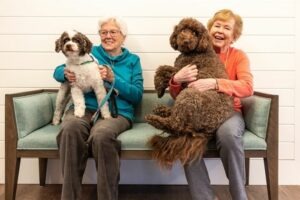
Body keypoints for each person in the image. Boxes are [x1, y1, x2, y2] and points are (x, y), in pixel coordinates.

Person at [53, 17, 144, 200]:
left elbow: (136, 95)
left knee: (102, 135)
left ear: (123, 36)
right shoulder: (89, 52)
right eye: (104, 32)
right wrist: (64, 73)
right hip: (84, 108)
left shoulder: (133, 60)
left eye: (113, 32)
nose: (108, 36)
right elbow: (58, 71)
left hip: (118, 113)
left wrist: (113, 79)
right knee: (70, 129)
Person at [168, 9, 253, 200]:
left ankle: (240, 196)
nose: (220, 30)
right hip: (197, 113)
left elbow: (247, 87)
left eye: (226, 27)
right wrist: (176, 79)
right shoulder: (190, 54)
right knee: (186, 137)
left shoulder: (238, 56)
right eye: (217, 25)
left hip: (229, 111)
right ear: (209, 29)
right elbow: (177, 96)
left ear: (234, 36)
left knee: (229, 135)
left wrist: (216, 83)